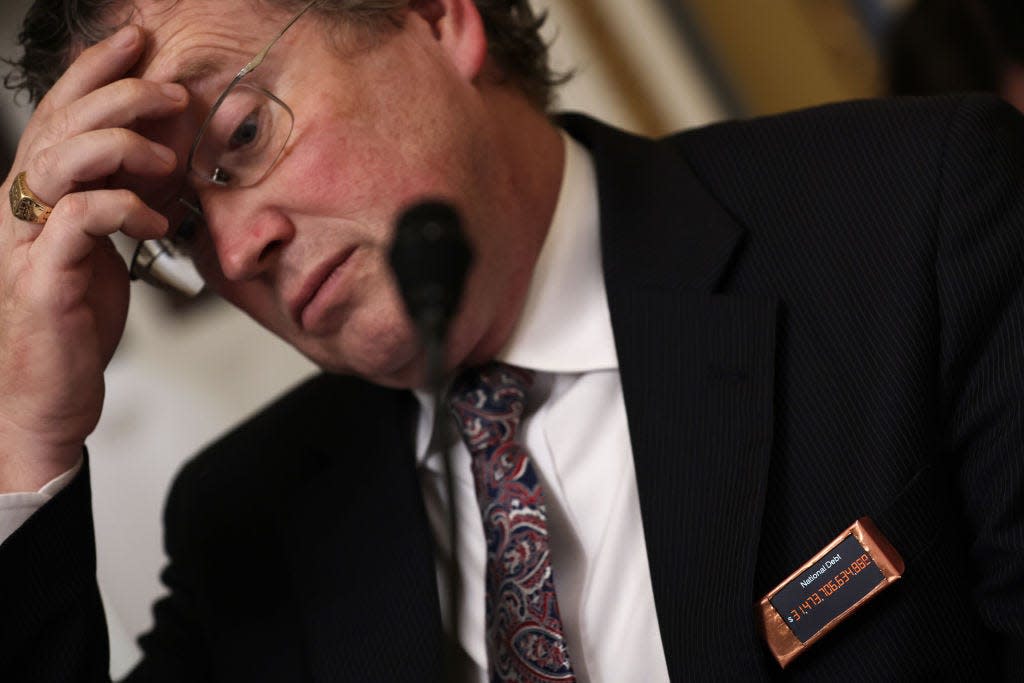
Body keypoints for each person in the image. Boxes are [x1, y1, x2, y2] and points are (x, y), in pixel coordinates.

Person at [0, 0, 1021, 680]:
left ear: (440, 18)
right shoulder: (252, 523)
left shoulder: (913, 222)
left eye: (244, 138)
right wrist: (23, 433)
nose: (235, 246)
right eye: (178, 226)